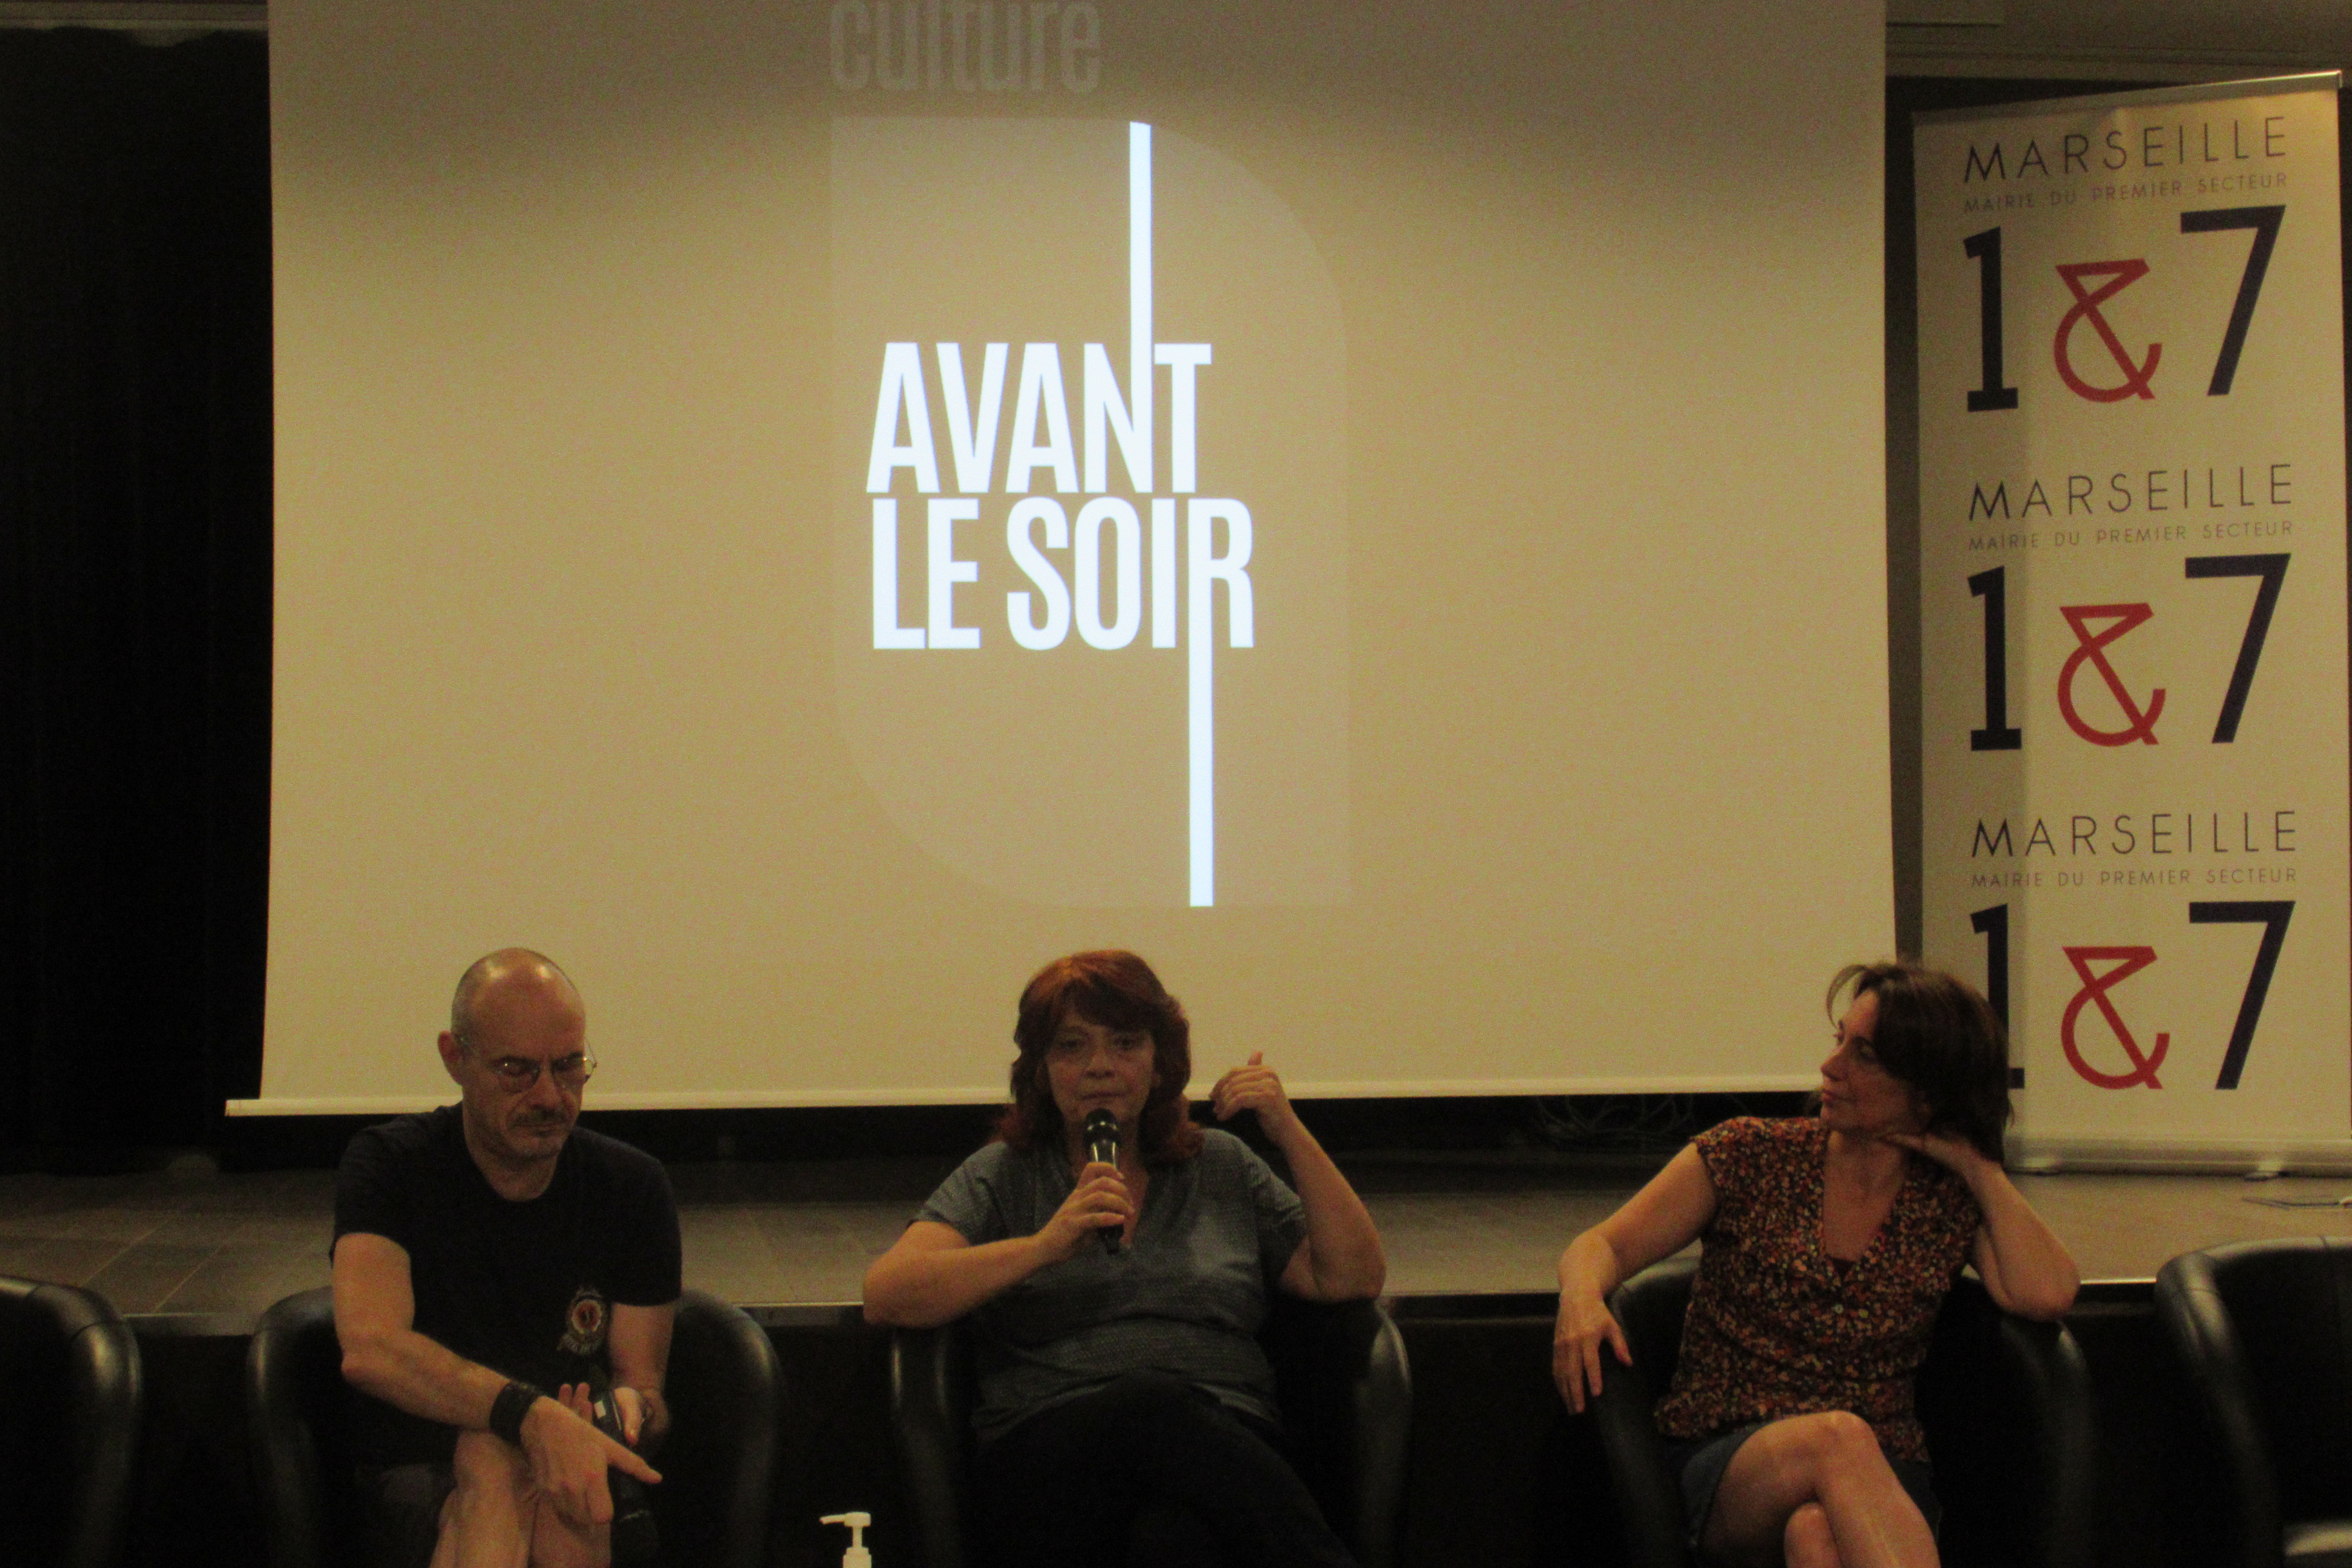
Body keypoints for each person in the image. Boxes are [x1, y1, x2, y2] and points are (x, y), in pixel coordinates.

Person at [863, 950, 1389, 1568]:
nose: (1100, 1067)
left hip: (1224, 1448)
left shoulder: (1221, 1166)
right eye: (1071, 1047)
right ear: (1041, 1072)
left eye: (1125, 1043)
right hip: (1048, 1464)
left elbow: (1351, 1275)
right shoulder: (1004, 1175)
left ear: (1160, 1063)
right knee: (1149, 1405)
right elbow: (888, 1293)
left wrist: (1289, 1132)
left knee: (1174, 1540)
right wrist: (1043, 1247)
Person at [1551, 961, 2079, 1568]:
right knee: (1839, 1439)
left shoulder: (1944, 1198)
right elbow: (1604, 1246)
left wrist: (1978, 1167)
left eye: (1866, 1056)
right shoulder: (1750, 1155)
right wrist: (1581, 1297)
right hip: (1730, 1461)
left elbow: (2048, 1292)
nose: (1831, 1066)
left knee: (1815, 1539)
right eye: (1839, 1041)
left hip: (1885, 1482)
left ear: (1927, 1089)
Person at [332, 948, 682, 1568]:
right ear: (455, 1059)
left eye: (569, 1066)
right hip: (425, 1458)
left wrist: (631, 1412)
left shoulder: (632, 1186)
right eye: (517, 1070)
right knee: (493, 1460)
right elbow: (372, 1348)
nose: (549, 1095)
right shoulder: (391, 1165)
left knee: (545, 1485)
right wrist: (526, 1417)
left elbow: (643, 1388)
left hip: (576, 1454)